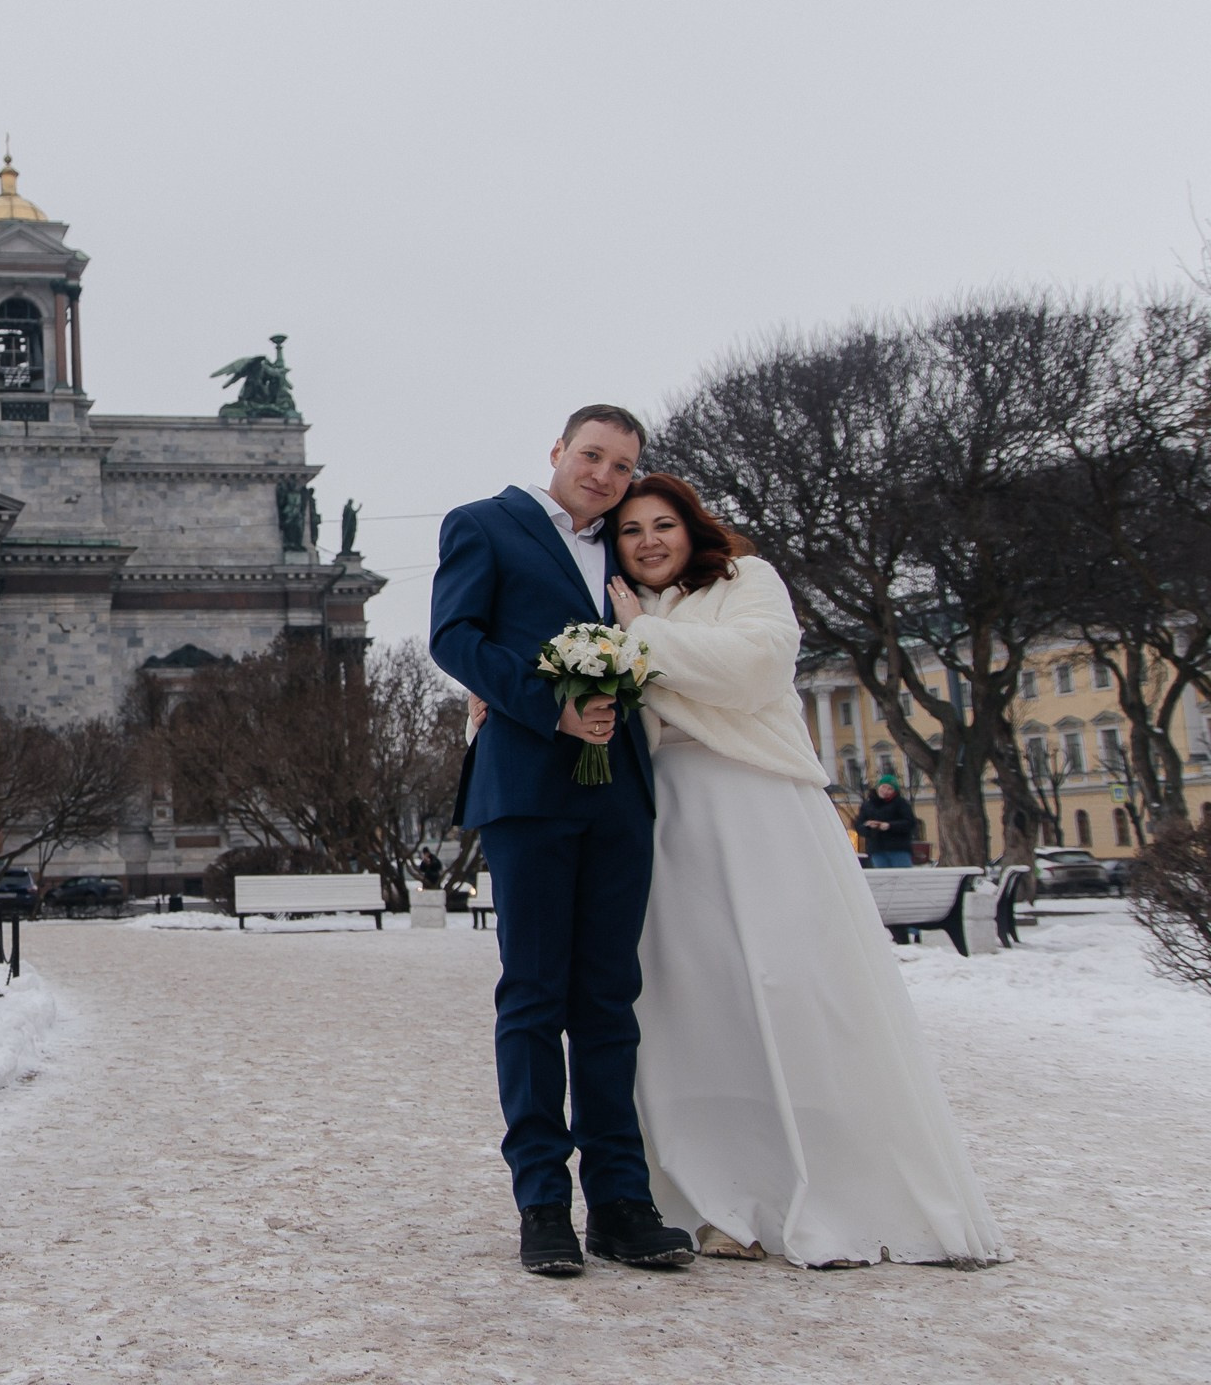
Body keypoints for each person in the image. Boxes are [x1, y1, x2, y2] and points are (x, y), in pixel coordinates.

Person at [604, 473, 1004, 1268]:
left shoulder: (746, 581)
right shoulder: (613, 614)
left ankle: (843, 1187)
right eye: (630, 530)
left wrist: (639, 636)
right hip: (671, 822)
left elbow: (751, 670)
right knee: (698, 1012)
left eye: (663, 523)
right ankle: (721, 1198)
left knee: (800, 992)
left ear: (693, 529)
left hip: (762, 807)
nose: (649, 539)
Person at [430, 405, 694, 1277]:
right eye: (593, 456)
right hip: (531, 789)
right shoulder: (484, 525)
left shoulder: (624, 547)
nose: (606, 477)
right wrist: (551, 705)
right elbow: (454, 638)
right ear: (558, 452)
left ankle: (621, 1201)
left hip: (621, 793)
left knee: (611, 1001)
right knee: (536, 999)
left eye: (623, 466)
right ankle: (543, 1203)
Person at [858, 776, 917, 868]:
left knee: (902, 877)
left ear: (894, 791)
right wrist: (868, 826)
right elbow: (859, 826)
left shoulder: (901, 803)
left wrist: (890, 826)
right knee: (883, 879)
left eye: (890, 789)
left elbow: (910, 823)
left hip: (898, 849)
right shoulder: (867, 805)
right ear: (878, 787)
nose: (885, 791)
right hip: (876, 849)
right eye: (883, 787)